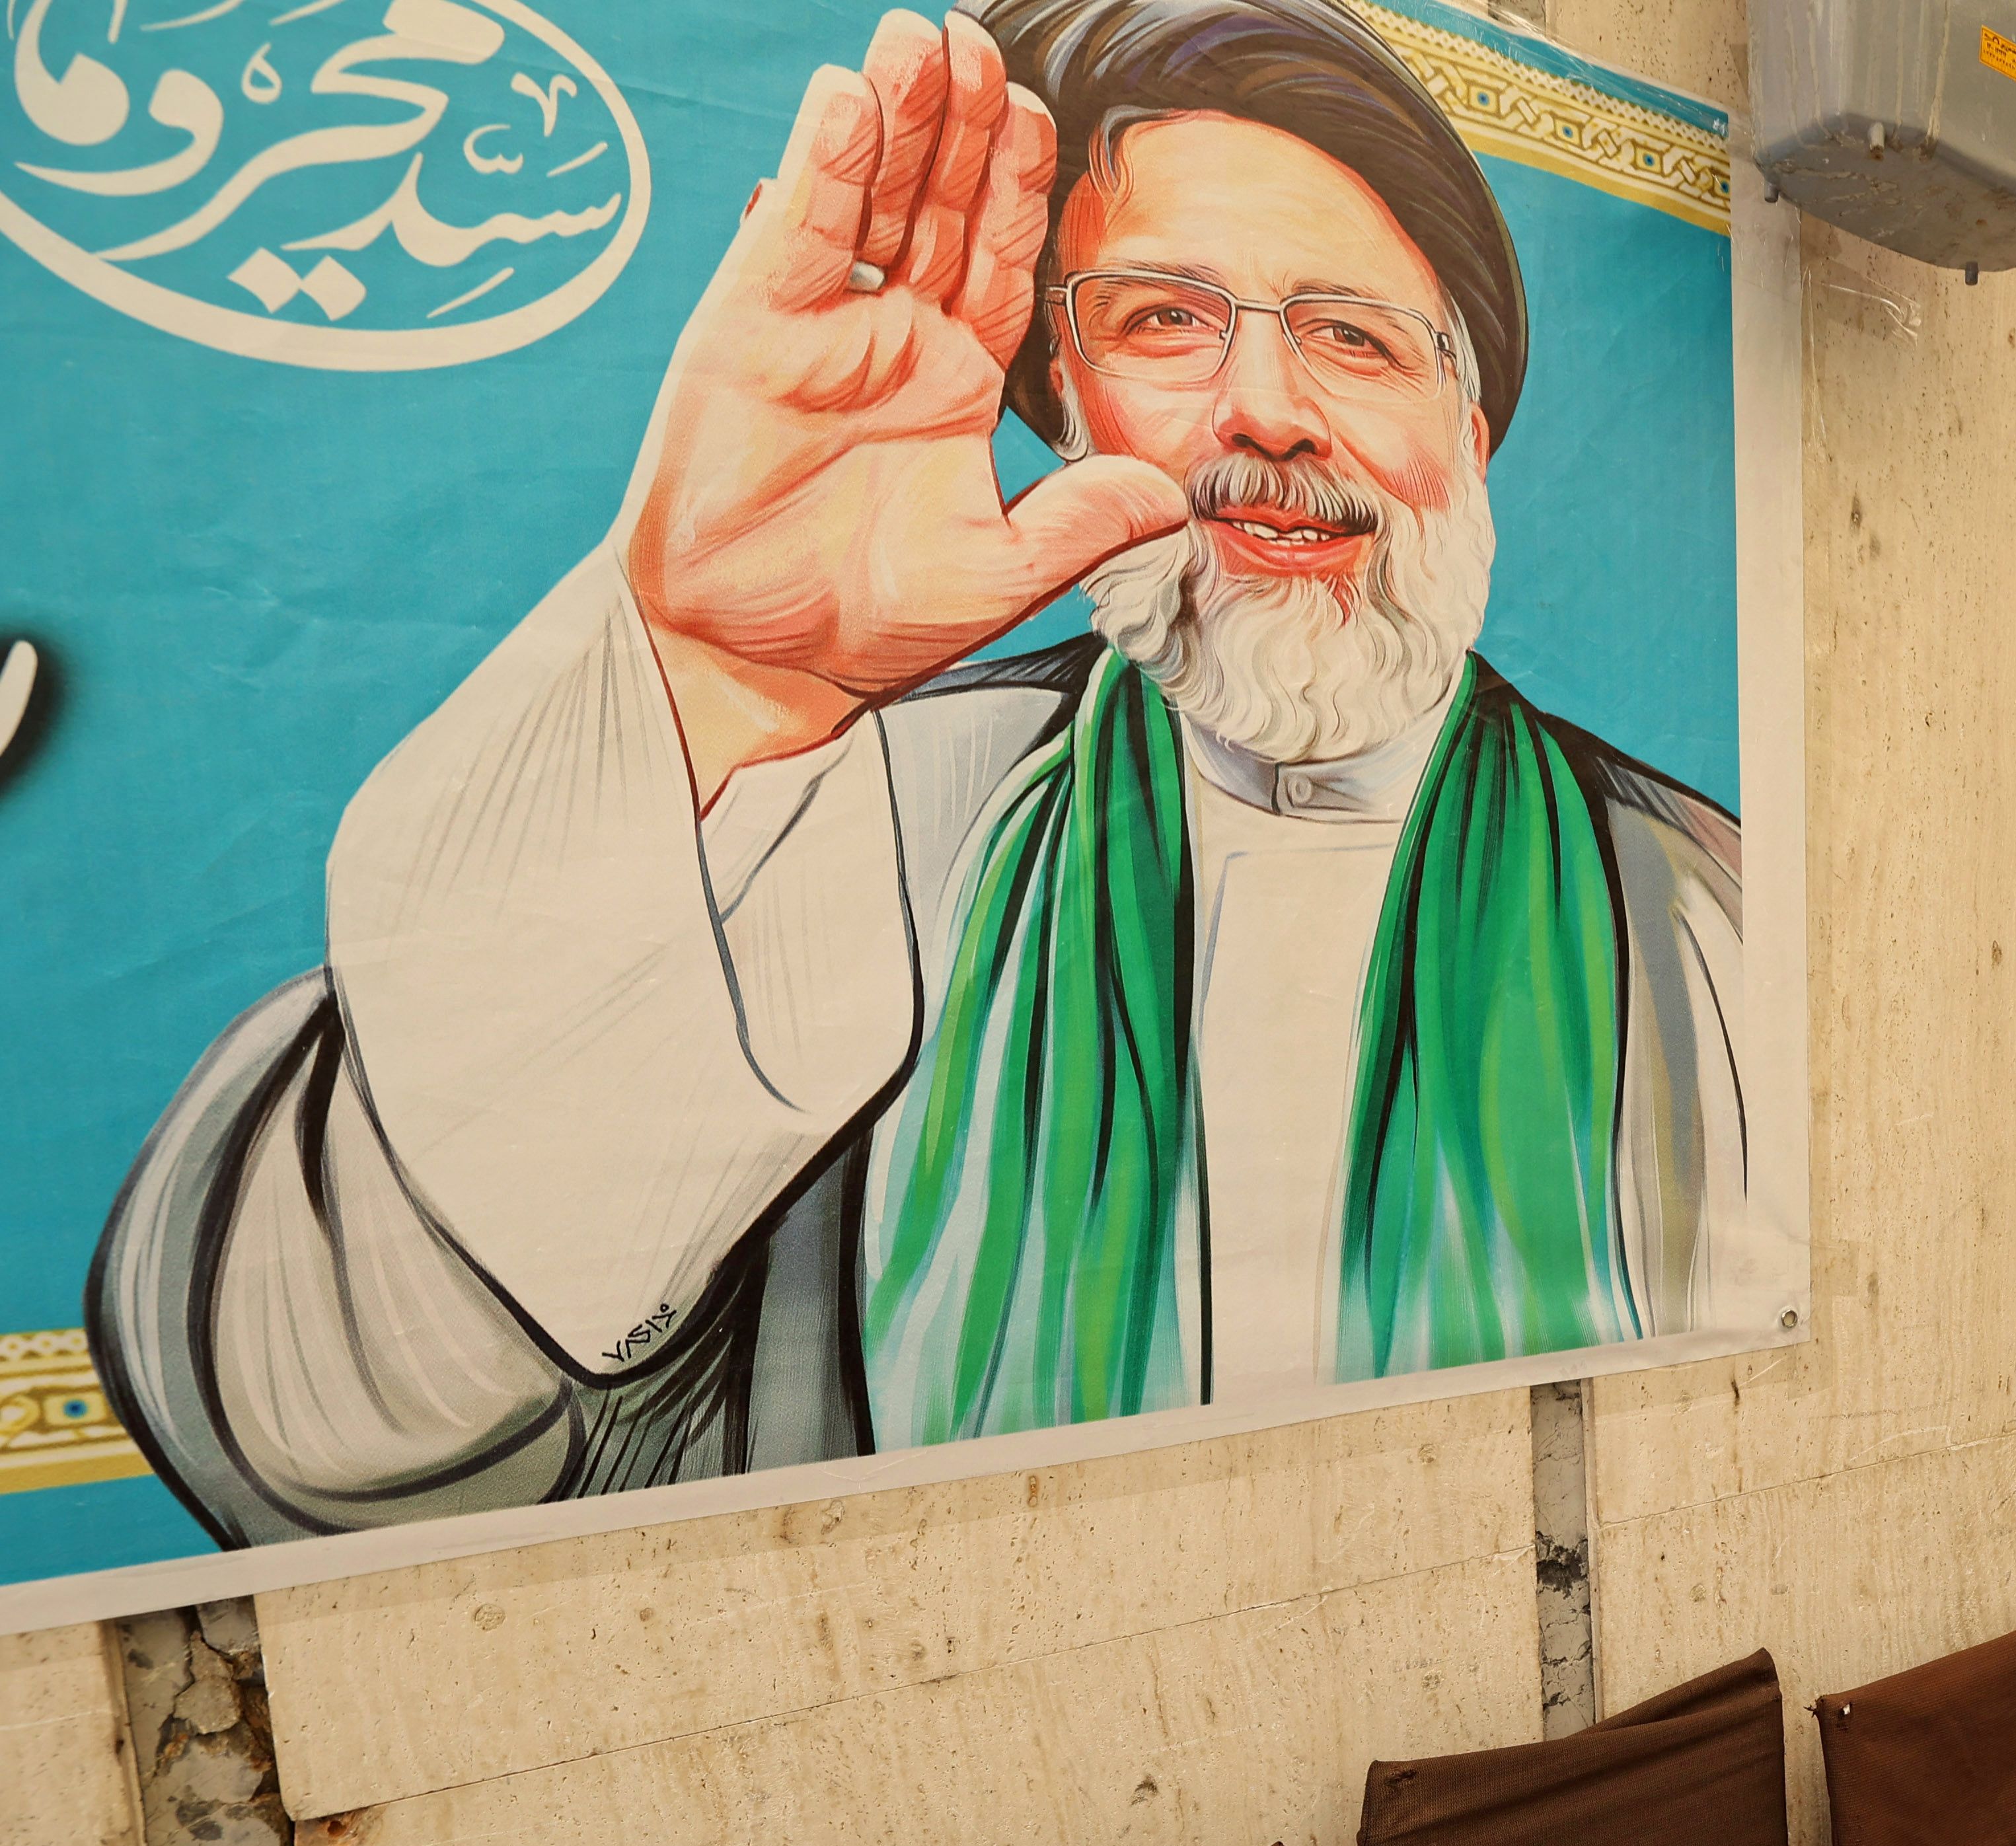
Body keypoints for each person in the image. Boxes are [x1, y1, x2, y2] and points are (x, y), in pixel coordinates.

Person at [92, 0, 1764, 1548]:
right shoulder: (875, 829)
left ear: (1467, 437)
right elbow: (340, 1439)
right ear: (1065, 405)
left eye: (1354, 336)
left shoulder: (1706, 918)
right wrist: (712, 691)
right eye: (1168, 321)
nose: (1269, 407)